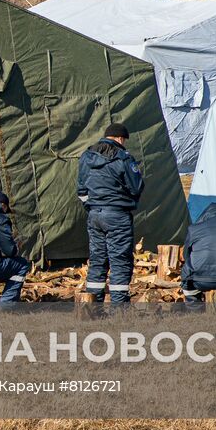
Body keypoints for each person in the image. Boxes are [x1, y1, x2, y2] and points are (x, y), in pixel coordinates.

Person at [77, 122, 145, 308]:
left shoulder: (87, 156)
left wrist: (92, 207)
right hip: (117, 215)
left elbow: (81, 190)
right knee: (120, 260)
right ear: (120, 138)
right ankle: (119, 308)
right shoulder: (123, 158)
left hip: (94, 214)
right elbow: (136, 186)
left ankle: (93, 305)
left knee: (98, 258)